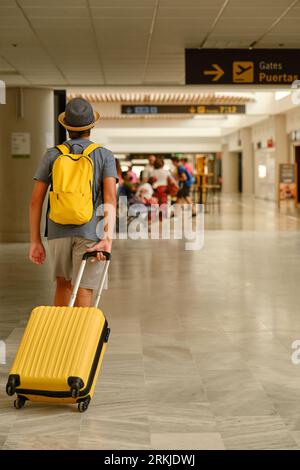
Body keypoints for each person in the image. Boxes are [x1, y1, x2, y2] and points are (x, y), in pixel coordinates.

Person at [29, 97, 118, 307]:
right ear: (92, 126)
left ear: (66, 126)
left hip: (57, 229)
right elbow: (110, 198)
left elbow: (35, 201)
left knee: (63, 284)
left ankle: (61, 338)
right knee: (84, 288)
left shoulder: (52, 154)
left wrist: (35, 240)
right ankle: (81, 340)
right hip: (90, 232)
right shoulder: (104, 155)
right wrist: (107, 237)